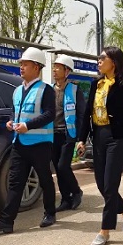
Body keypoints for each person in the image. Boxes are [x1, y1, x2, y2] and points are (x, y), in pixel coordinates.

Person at [0, 47, 57, 233]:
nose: (21, 67)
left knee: (45, 179)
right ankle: (6, 221)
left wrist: (27, 126)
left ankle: (50, 213)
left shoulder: (46, 90)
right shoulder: (17, 91)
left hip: (40, 144)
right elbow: (16, 113)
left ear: (36, 67)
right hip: (19, 143)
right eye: (21, 64)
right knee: (15, 183)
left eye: (25, 64)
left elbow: (50, 114)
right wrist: (11, 122)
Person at [76, 46, 123, 245]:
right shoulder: (96, 84)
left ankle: (104, 231)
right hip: (99, 136)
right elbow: (87, 113)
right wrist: (81, 139)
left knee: (111, 185)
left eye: (103, 58)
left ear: (114, 62)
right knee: (102, 185)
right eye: (99, 58)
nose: (99, 61)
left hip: (117, 137)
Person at [51, 54, 86, 212]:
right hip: (53, 134)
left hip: (68, 134)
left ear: (67, 71)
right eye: (54, 67)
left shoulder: (75, 90)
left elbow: (82, 115)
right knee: (58, 169)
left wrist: (80, 138)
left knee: (63, 166)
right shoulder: (50, 90)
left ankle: (76, 191)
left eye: (58, 68)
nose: (54, 70)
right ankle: (65, 199)